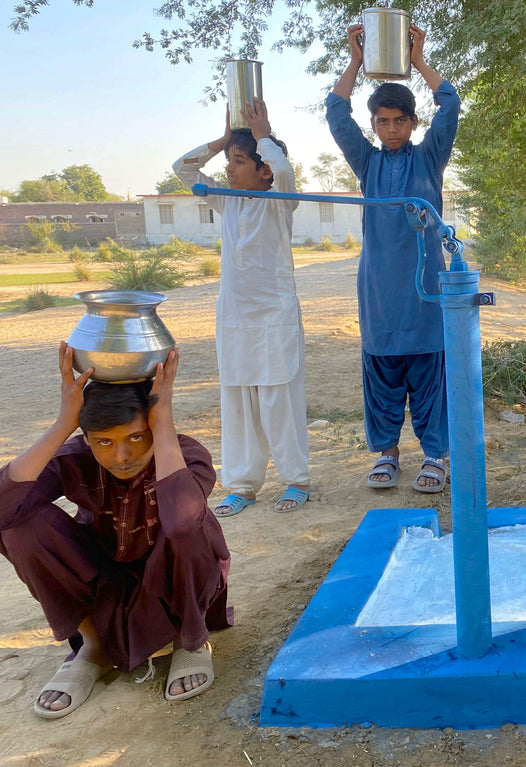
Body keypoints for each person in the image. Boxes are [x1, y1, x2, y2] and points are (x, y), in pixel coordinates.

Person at [0, 344, 232, 718]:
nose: (121, 457)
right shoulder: (76, 457)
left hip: (175, 578)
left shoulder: (187, 456)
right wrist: (63, 424)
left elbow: (182, 522)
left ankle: (189, 641)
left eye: (136, 437)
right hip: (105, 579)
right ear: (88, 438)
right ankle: (93, 647)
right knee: (20, 529)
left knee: (190, 527)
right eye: (104, 442)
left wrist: (164, 423)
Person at [326, 22, 459, 493]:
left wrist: (418, 60)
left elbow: (451, 104)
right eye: (382, 122)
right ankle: (387, 452)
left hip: (425, 291)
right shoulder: (368, 163)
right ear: (374, 126)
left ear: (413, 123)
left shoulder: (430, 158)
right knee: (382, 369)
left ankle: (435, 455)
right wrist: (356, 60)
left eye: (399, 121)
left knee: (428, 370)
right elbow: (335, 112)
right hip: (379, 291)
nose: (391, 129)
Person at [173, 98, 311, 516]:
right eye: (228, 162)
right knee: (238, 404)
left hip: (275, 318)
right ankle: (242, 486)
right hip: (235, 319)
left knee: (278, 400)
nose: (229, 170)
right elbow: (183, 169)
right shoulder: (226, 199)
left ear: (263, 170)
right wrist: (223, 140)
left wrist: (262, 136)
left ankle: (296, 480)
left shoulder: (279, 200)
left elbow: (284, 171)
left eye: (238, 161)